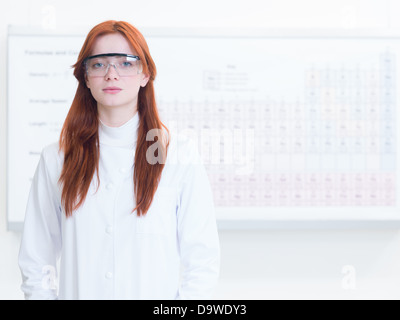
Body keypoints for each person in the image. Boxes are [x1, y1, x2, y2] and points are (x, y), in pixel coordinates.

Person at [18, 20, 220, 300]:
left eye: (125, 63)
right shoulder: (57, 158)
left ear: (145, 74)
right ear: (86, 77)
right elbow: (36, 262)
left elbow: (202, 262)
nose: (111, 74)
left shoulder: (178, 155)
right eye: (99, 64)